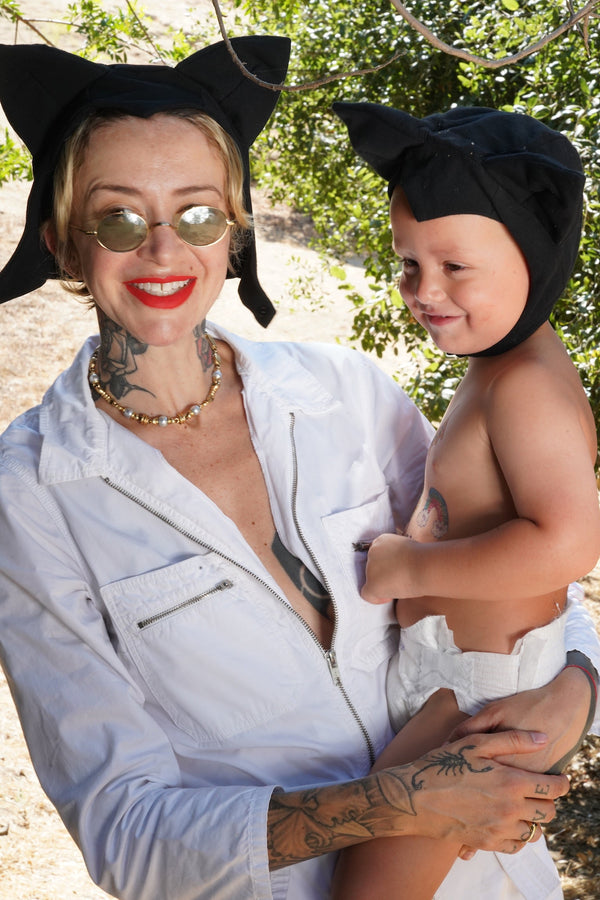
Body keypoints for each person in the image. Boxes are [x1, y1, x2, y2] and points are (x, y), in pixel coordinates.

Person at [0, 41, 597, 900]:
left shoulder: (346, 396)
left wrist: (577, 690)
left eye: (198, 215)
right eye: (119, 220)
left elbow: (524, 583)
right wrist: (390, 805)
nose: (165, 251)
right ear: (62, 242)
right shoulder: (32, 497)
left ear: (235, 229)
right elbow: (126, 834)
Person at [331, 102, 600, 899]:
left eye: (455, 266)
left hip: (481, 698)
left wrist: (405, 567)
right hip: (464, 682)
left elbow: (567, 543)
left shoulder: (526, 388)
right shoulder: (499, 368)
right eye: (408, 263)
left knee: (371, 888)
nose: (423, 289)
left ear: (535, 254)